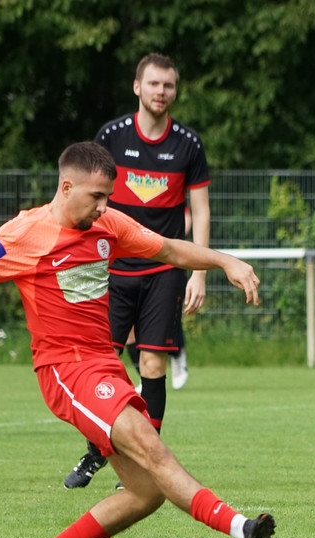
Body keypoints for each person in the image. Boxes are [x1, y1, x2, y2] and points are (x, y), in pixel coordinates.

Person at [0, 141, 277, 538]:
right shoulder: (26, 233)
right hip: (65, 370)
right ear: (66, 187)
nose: (104, 207)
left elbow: (171, 250)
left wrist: (225, 261)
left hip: (104, 364)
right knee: (152, 449)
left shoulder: (109, 225)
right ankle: (241, 527)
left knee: (146, 491)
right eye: (96, 197)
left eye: (107, 197)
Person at [64, 53, 209, 490]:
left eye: (168, 85)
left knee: (152, 364)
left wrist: (199, 271)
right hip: (110, 269)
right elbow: (86, 198)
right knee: (100, 367)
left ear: (174, 91)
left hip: (163, 269)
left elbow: (199, 211)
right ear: (137, 87)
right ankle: (96, 453)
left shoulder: (188, 144)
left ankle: (148, 463)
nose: (161, 92)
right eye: (154, 84)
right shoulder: (111, 135)